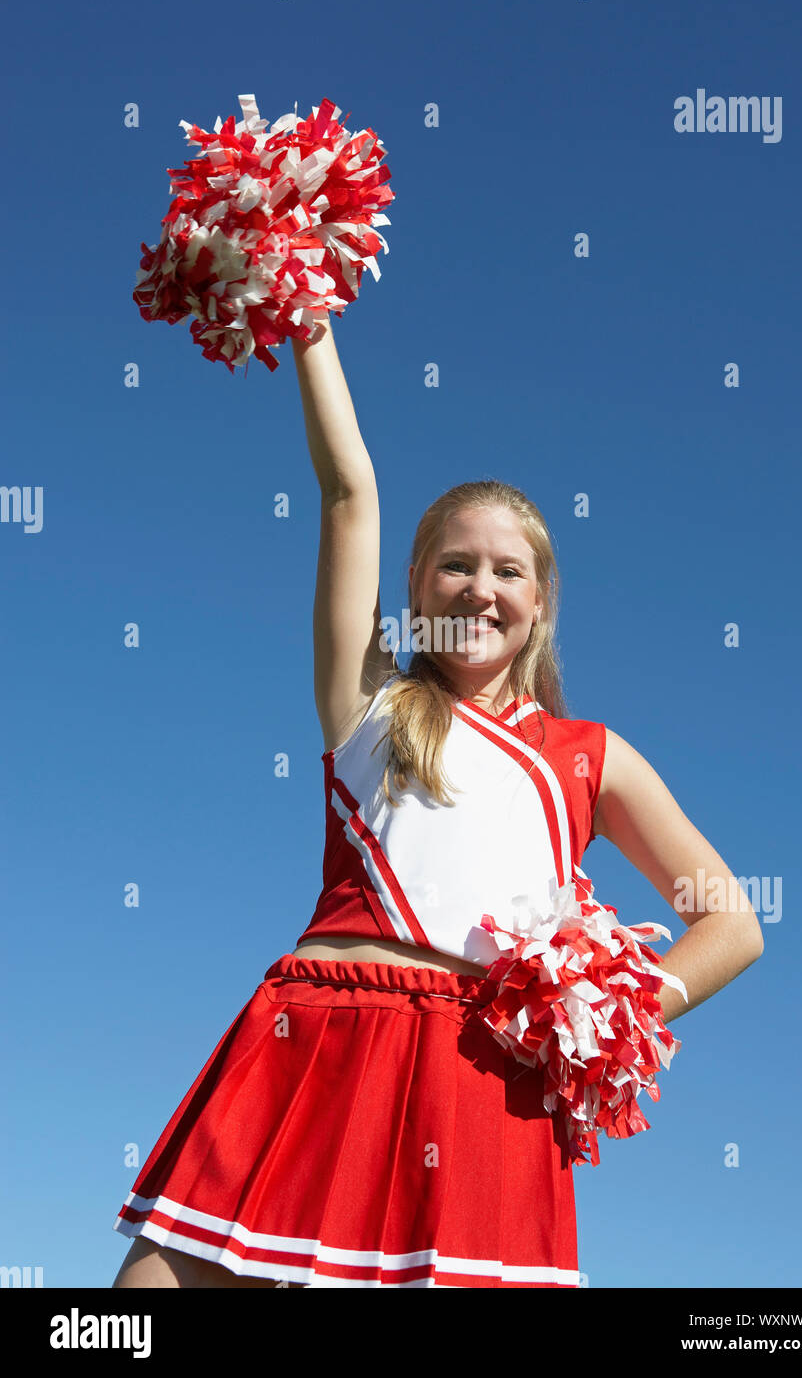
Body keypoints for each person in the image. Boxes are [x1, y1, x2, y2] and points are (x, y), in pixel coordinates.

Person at [111, 313, 764, 1289]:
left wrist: (607, 1018)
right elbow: (345, 491)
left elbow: (732, 921)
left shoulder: (589, 757)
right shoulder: (367, 696)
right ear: (414, 582)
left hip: (478, 1077)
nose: (479, 588)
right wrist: (308, 324)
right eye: (455, 563)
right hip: (314, 1038)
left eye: (508, 571)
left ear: (538, 601)